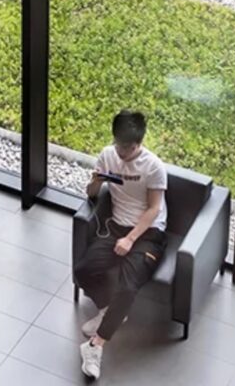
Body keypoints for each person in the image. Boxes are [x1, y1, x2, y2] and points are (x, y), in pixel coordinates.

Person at [76, 110, 168, 382]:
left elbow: (154, 209)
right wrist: (96, 181)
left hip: (148, 233)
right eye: (119, 145)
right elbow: (92, 194)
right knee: (82, 270)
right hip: (116, 227)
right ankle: (109, 310)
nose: (123, 153)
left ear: (139, 142)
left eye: (129, 148)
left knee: (128, 287)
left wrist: (131, 239)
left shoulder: (153, 167)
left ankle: (95, 346)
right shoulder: (108, 155)